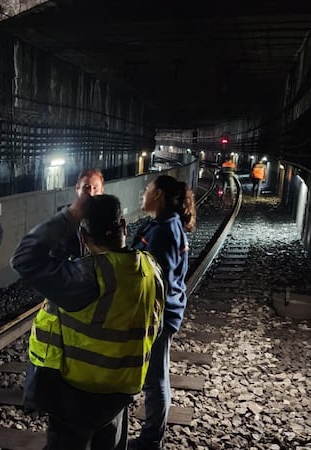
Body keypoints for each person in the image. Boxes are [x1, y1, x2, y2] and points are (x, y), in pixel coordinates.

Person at [12, 194, 165, 450]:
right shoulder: (151, 268)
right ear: (124, 226)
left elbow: (24, 258)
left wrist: (69, 217)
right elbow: (155, 327)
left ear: (83, 237)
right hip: (121, 389)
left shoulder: (87, 276)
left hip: (78, 395)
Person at [130, 175, 190, 450]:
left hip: (158, 317)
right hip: (164, 313)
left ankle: (151, 440)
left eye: (148, 189)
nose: (144, 192)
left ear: (160, 195)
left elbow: (156, 280)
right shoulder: (166, 225)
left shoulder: (164, 231)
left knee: (155, 380)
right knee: (156, 377)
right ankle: (152, 436)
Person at [56, 168, 105, 259]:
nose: (91, 192)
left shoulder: (108, 216)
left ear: (102, 190)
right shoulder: (64, 217)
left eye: (95, 188)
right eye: (86, 187)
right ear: (77, 188)